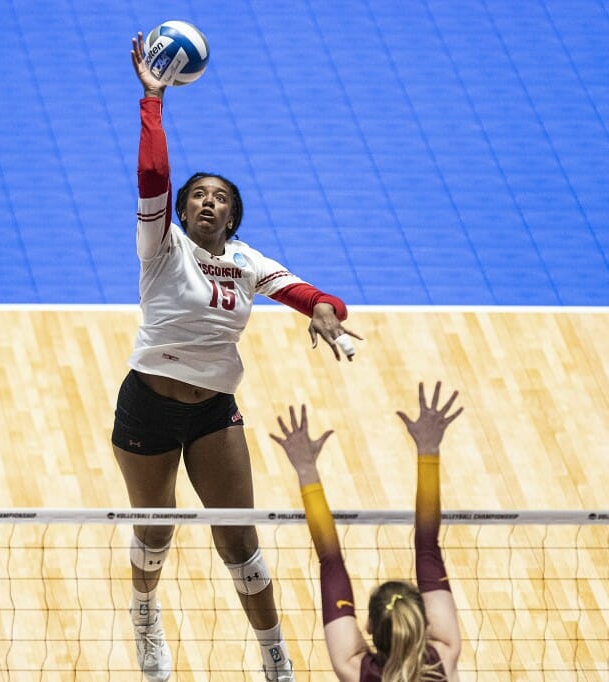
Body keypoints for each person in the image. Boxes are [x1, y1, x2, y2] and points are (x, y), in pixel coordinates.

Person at [114, 33, 362, 682]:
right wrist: (152, 102)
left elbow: (310, 294)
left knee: (240, 542)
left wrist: (327, 313)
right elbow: (151, 176)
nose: (205, 201)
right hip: (148, 405)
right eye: (197, 194)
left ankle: (274, 657)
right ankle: (145, 616)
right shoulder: (161, 246)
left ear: (232, 216)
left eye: (218, 197)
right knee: (157, 532)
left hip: (213, 412)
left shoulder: (248, 263)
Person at [269, 382, 464, 682]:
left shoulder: (354, 668)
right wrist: (429, 449)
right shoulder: (444, 655)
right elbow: (427, 544)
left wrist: (306, 469)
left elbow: (330, 560)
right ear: (425, 622)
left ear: (369, 627)